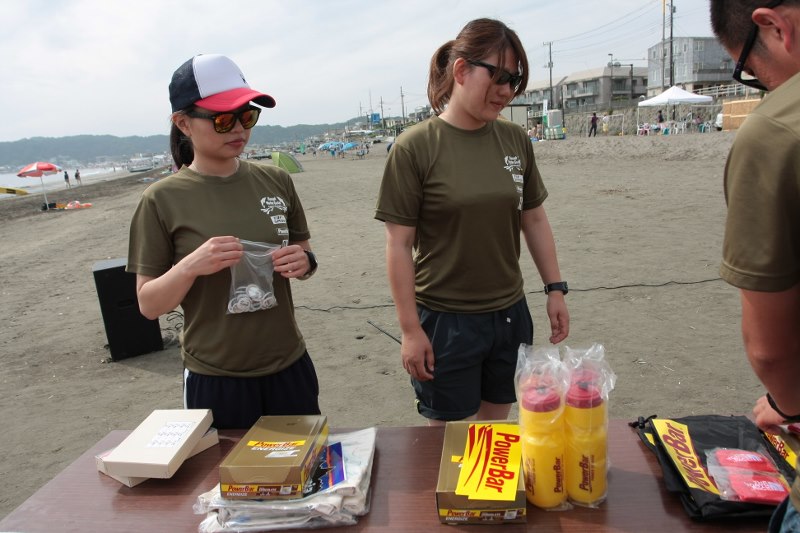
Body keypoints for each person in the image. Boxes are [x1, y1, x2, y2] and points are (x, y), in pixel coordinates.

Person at [375, 18, 569, 426]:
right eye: (498, 77)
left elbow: (533, 218)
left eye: (513, 80)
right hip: (444, 319)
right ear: (461, 70)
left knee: (494, 431)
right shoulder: (415, 147)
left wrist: (555, 289)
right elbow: (398, 245)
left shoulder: (514, 139)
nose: (506, 91)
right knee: (445, 439)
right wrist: (410, 330)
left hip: (509, 314)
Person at [127, 54, 320, 430]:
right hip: (216, 376)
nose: (239, 129)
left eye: (247, 116)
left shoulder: (277, 181)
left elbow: (306, 255)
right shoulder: (161, 199)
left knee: (302, 464)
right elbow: (149, 304)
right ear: (183, 123)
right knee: (227, 470)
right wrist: (190, 266)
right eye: (222, 119)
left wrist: (305, 262)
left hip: (289, 364)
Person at [711, 1, 800, 531]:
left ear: (774, 26)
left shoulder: (774, 131)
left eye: (746, 67)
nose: (759, 83)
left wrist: (787, 406)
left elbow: (770, 348)